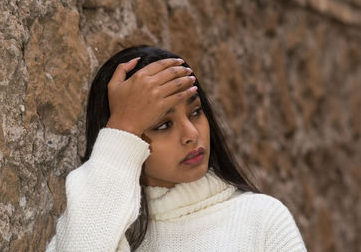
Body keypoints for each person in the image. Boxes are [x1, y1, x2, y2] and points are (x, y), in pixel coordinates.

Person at [45, 45, 307, 251]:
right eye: (163, 125)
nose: (191, 135)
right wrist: (122, 126)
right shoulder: (102, 231)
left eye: (195, 112)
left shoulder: (262, 219)